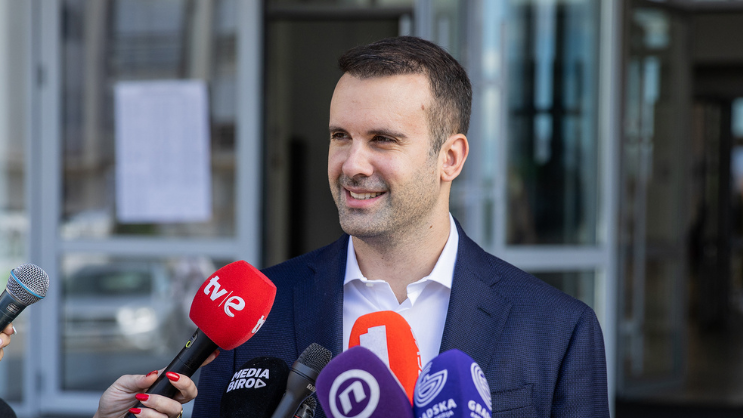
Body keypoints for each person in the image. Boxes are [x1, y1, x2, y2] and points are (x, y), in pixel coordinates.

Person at [194, 36, 609, 417]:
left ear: (450, 158)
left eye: (383, 139)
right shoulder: (254, 318)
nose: (352, 165)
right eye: (341, 136)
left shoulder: (558, 329)